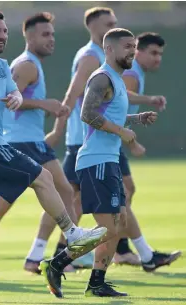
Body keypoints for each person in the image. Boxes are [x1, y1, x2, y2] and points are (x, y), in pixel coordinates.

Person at [0, 11, 107, 302]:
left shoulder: (2, 66)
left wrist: (15, 98)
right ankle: (72, 233)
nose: (1, 36)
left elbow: (14, 94)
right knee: (43, 177)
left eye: (4, 31)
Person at [41, 28, 160, 298]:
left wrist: (136, 118)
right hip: (96, 162)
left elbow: (111, 114)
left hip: (108, 161)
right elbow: (87, 113)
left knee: (117, 223)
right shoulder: (102, 77)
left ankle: (96, 282)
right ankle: (57, 263)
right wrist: (121, 132)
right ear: (109, 49)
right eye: (127, 46)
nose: (132, 51)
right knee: (108, 227)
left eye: (134, 47)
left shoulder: (116, 80)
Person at [0, 12, 77, 280]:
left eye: (53, 34)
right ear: (29, 37)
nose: (51, 40)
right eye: (45, 34)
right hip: (22, 141)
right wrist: (44, 103)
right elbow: (5, 98)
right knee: (61, 193)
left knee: (13, 201)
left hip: (27, 140)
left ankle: (32, 255)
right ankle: (57, 255)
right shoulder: (27, 65)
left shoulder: (29, 63)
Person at [113, 32, 181, 267]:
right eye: (153, 53)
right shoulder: (131, 73)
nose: (157, 58)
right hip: (103, 142)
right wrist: (132, 142)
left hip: (110, 141)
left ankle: (122, 250)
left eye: (160, 54)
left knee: (124, 193)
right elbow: (117, 105)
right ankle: (140, 254)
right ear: (137, 52)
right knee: (114, 198)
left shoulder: (135, 73)